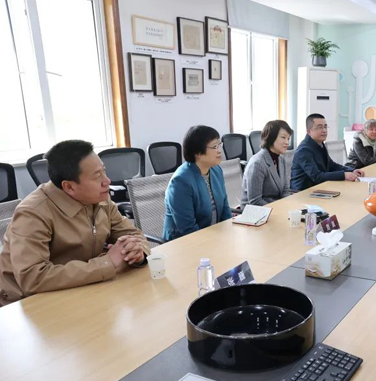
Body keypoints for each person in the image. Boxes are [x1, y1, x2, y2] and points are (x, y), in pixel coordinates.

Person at [0, 140, 149, 305]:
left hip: (81, 288)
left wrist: (137, 252)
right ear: (69, 187)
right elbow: (32, 278)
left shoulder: (101, 199)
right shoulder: (33, 213)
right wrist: (107, 263)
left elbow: (132, 234)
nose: (107, 181)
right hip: (27, 302)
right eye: (97, 176)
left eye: (104, 171)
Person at [163, 125, 232, 241]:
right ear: (197, 153)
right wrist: (214, 241)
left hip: (214, 237)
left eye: (220, 144)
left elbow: (225, 209)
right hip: (185, 243)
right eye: (215, 146)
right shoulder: (180, 181)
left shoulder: (216, 170)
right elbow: (188, 229)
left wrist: (229, 232)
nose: (220, 150)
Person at [291, 114, 364, 191]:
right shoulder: (304, 150)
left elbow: (332, 165)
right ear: (309, 131)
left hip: (319, 188)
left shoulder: (319, 143)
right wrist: (343, 175)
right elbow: (317, 176)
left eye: (325, 127)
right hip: (302, 192)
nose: (324, 130)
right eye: (319, 127)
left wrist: (351, 170)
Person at [242, 120, 294, 206]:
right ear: (271, 137)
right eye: (283, 137)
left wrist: (287, 205)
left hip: (275, 207)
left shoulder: (281, 159)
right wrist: (279, 208)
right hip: (257, 211)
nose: (287, 142)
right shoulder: (257, 163)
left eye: (288, 138)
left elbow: (285, 190)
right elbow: (255, 201)